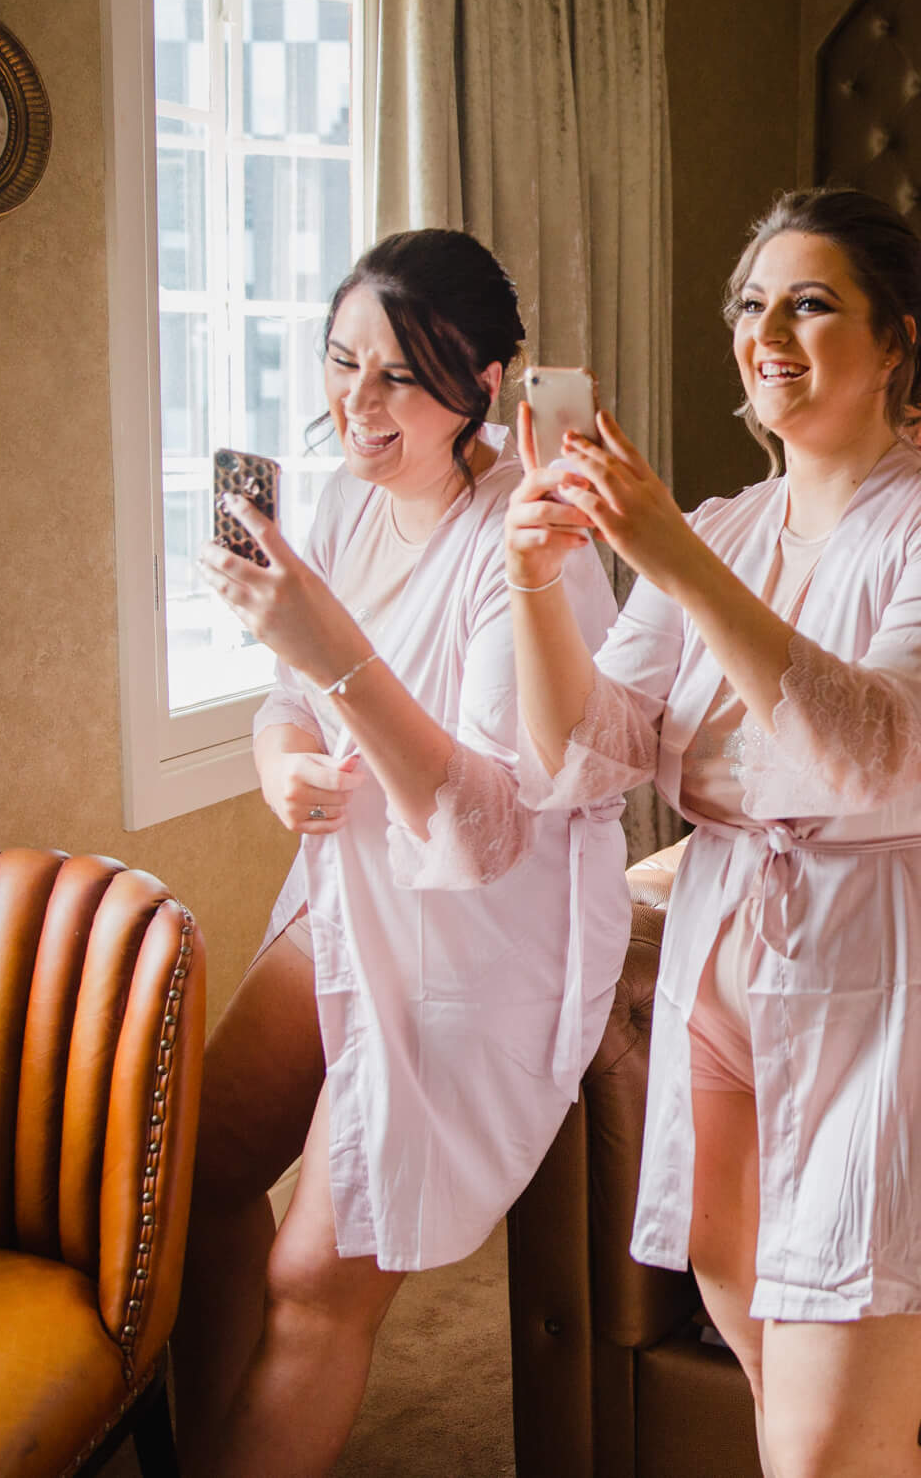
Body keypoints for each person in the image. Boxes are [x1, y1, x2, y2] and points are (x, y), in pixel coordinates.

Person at [505, 187, 921, 1478]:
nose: (769, 333)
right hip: (724, 975)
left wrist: (673, 556)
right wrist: (534, 580)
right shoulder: (729, 523)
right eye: (753, 305)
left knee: (818, 1449)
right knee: (777, 1391)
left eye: (812, 302)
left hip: (899, 983)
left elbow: (870, 751)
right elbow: (585, 749)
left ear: (897, 337)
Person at [174, 230, 632, 1478]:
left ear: (485, 383)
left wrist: (332, 651)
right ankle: (218, 1444)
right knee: (195, 1167)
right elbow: (287, 706)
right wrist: (286, 767)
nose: (357, 406)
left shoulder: (533, 552)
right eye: (342, 364)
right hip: (348, 888)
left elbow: (488, 824)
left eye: (400, 378)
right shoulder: (333, 501)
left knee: (316, 1275)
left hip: (478, 937)